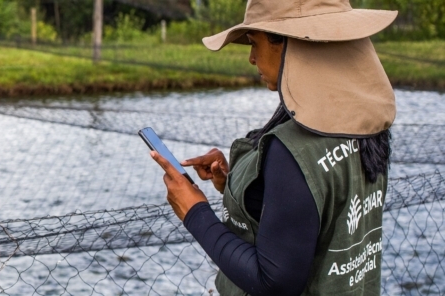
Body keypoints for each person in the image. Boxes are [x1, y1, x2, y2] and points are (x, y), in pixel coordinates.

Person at [149, 0, 397, 295]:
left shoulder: (292, 148)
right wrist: (241, 186)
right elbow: (314, 211)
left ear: (291, 44)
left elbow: (274, 281)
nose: (252, 58)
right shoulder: (366, 130)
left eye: (254, 42)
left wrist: (194, 210)